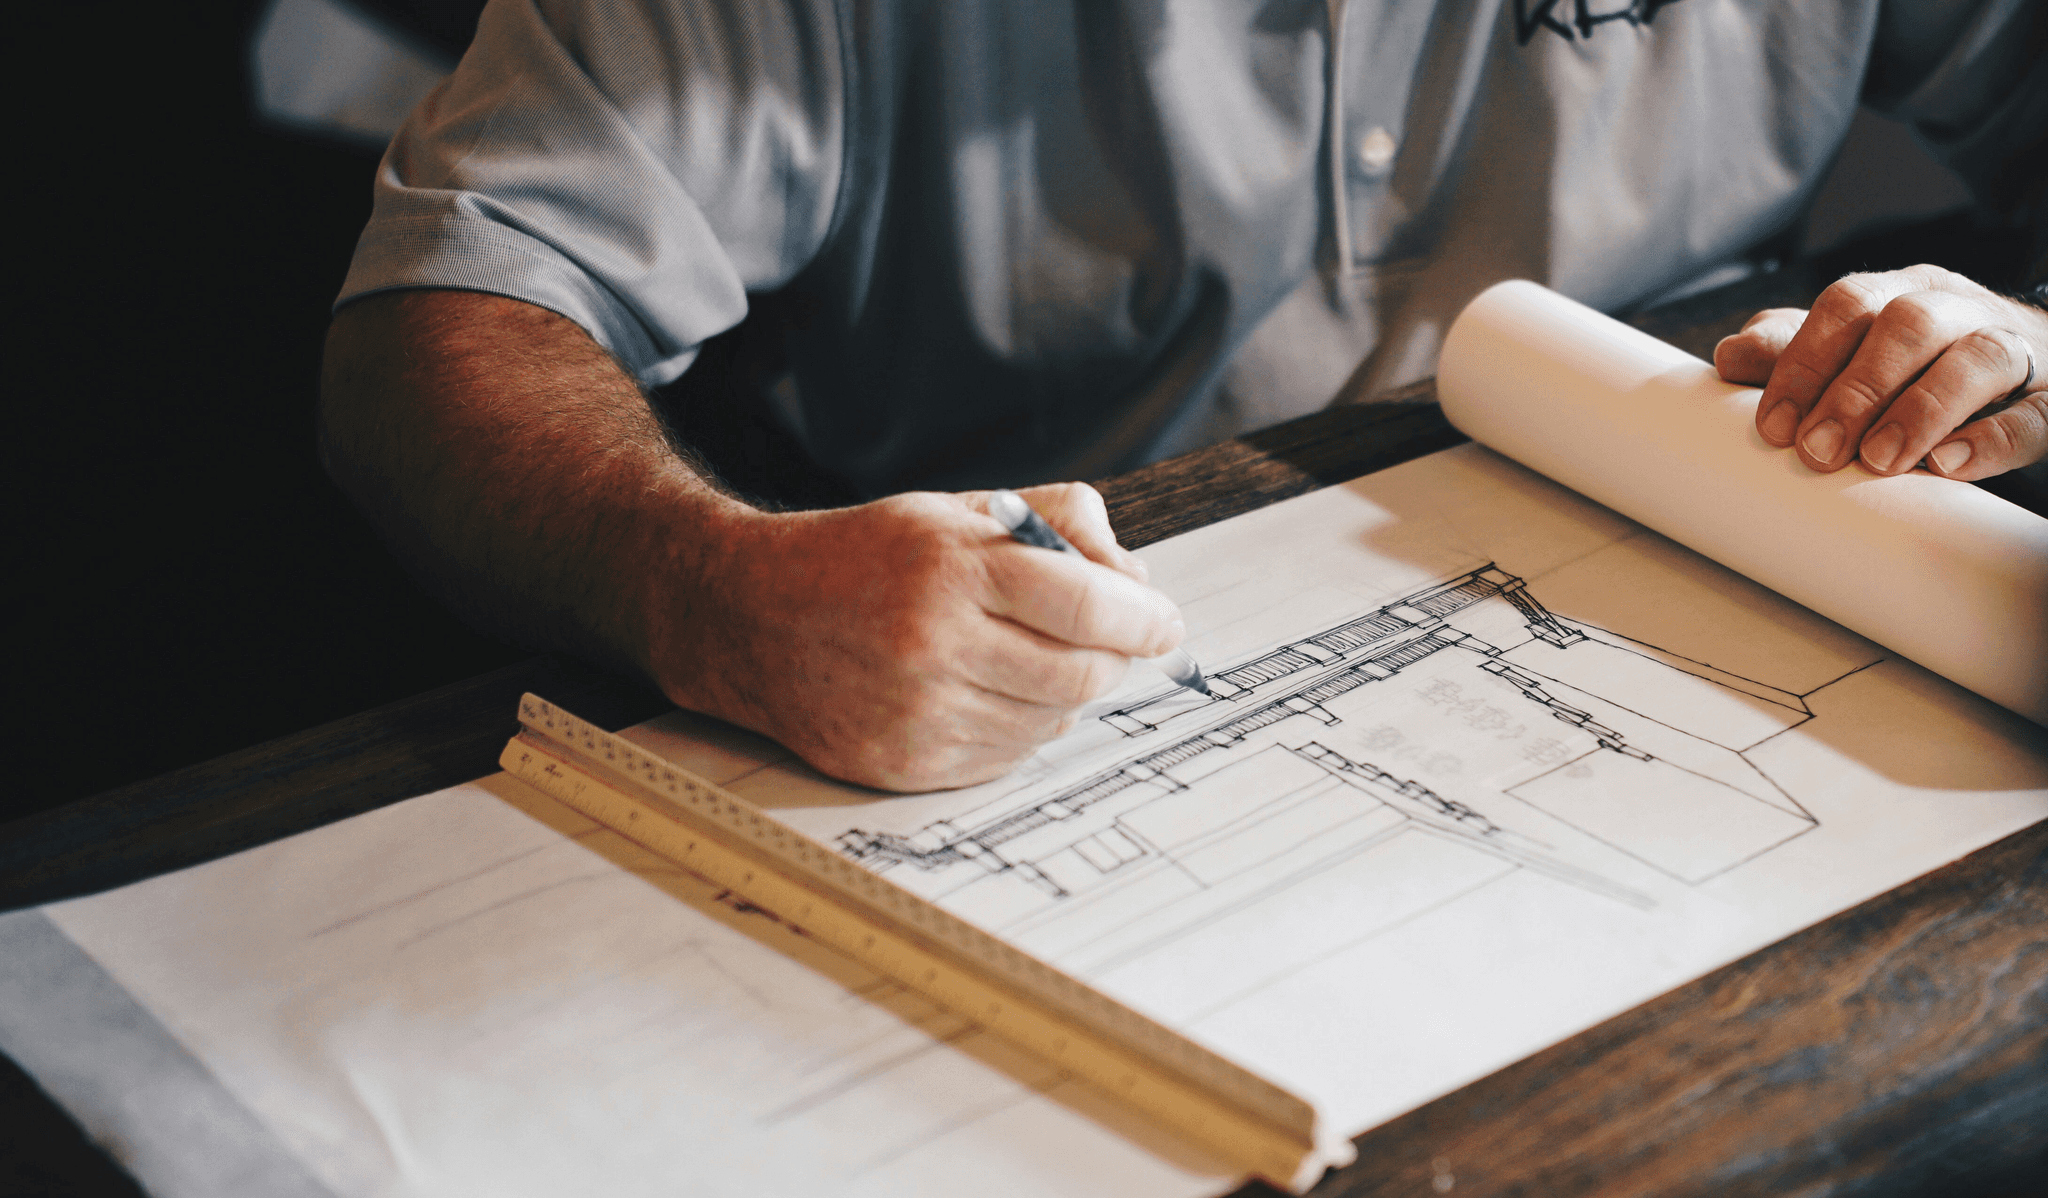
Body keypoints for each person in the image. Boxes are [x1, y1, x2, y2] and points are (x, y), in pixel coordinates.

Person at [320, 0, 2047, 792]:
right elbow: (441, 325)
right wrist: (705, 585)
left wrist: (2016, 327)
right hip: (1001, 683)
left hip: (1692, 641)